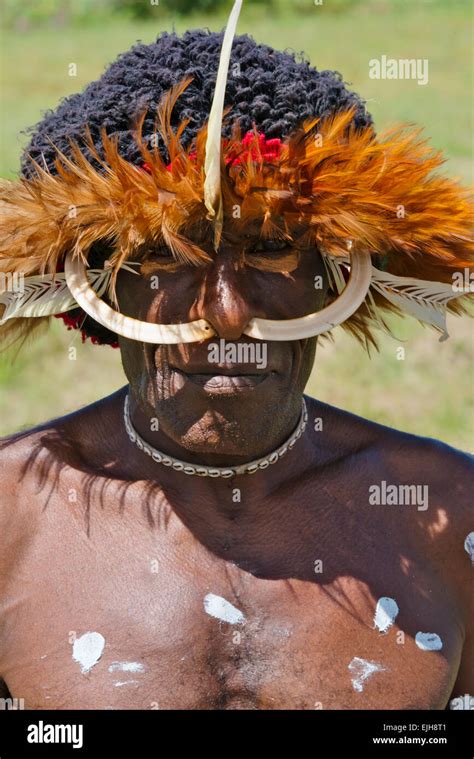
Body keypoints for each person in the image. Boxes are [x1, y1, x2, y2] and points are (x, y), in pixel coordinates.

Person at [0, 1, 472, 710]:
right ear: (96, 284)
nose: (226, 313)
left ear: (338, 274)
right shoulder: (12, 519)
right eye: (163, 253)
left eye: (273, 248)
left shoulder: (447, 514)